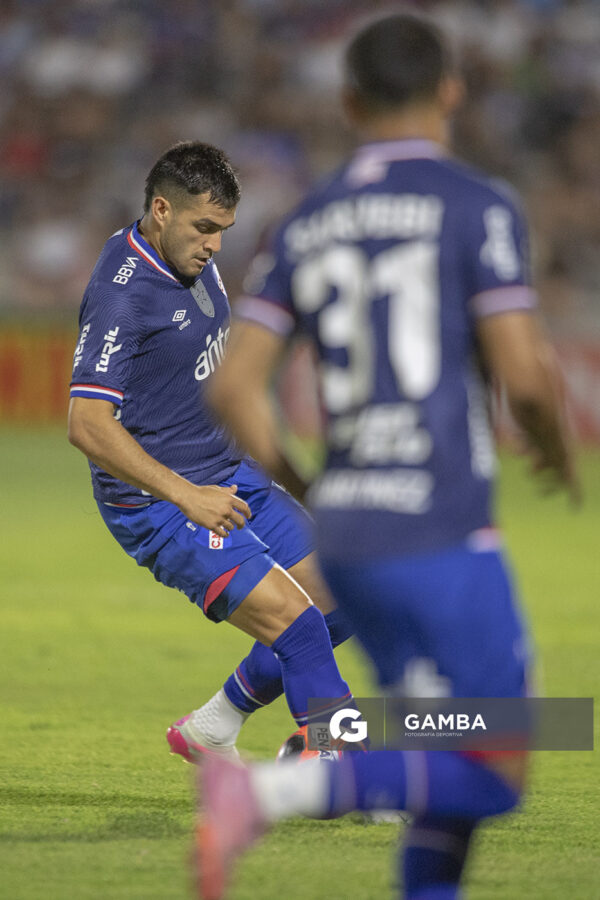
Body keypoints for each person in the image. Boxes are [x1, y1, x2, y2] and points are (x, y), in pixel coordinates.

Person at [198, 12, 579, 900]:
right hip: (443, 526)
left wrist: (304, 485)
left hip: (352, 539)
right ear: (451, 90)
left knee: (436, 739)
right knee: (501, 759)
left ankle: (328, 751)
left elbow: (234, 387)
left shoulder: (308, 220)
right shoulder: (476, 204)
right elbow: (524, 373)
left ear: (348, 99)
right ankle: (270, 790)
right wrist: (558, 451)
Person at [67, 140, 356, 765]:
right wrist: (186, 495)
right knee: (298, 625)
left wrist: (289, 474)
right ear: (162, 210)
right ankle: (342, 765)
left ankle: (215, 724)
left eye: (224, 230)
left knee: (342, 594)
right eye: (204, 228)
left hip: (230, 473)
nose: (215, 244)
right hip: (161, 504)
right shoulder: (125, 292)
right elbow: (86, 423)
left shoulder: (195, 261)